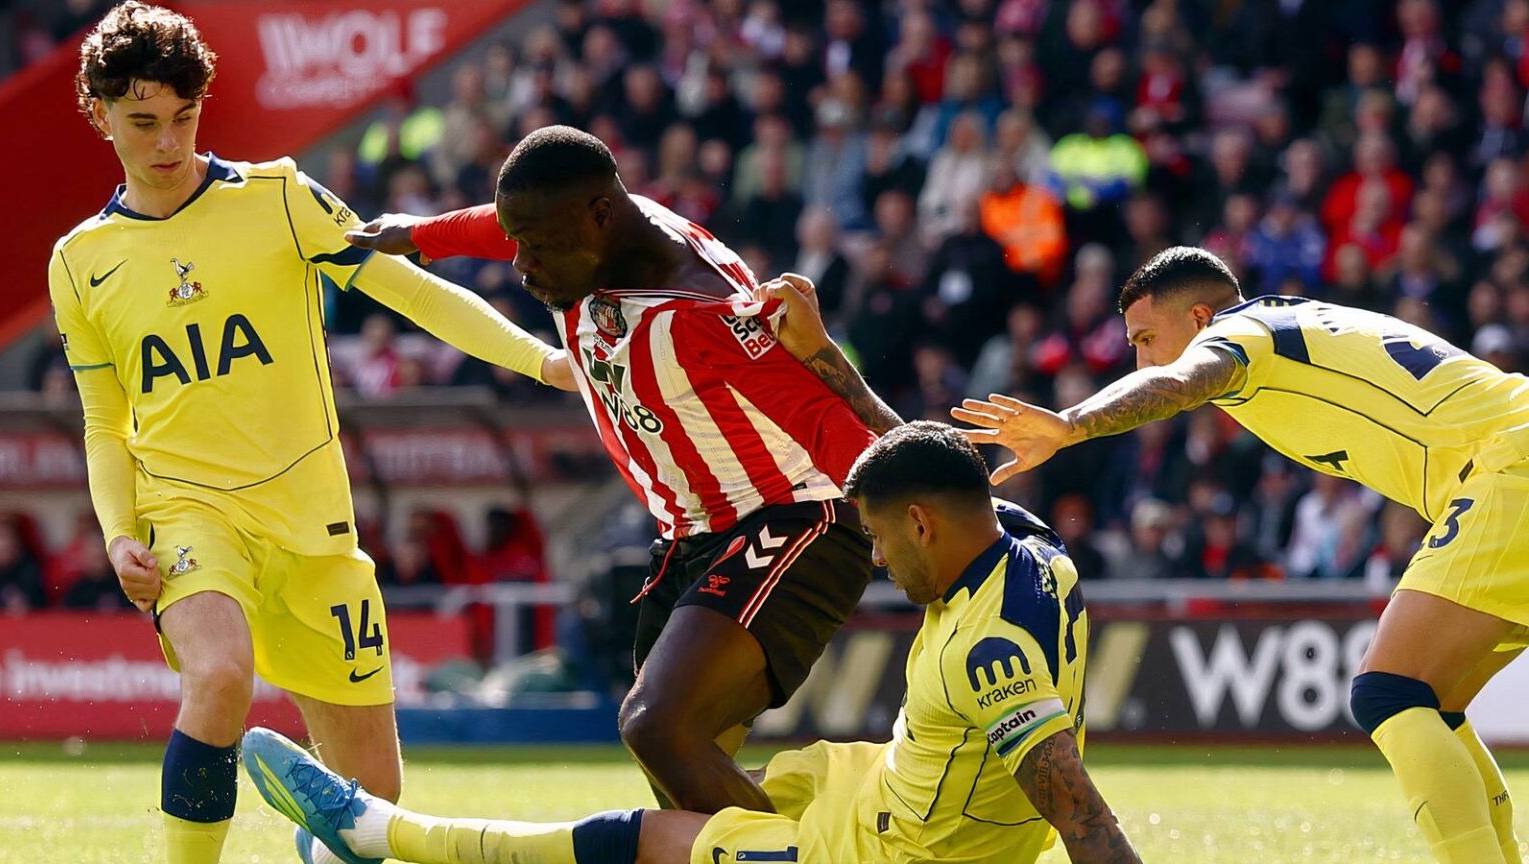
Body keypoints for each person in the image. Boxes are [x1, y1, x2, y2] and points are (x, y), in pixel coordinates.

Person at [51, 5, 572, 864]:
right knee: (218, 678)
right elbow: (104, 420)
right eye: (142, 121)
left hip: (314, 522)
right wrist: (117, 533)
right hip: (188, 511)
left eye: (183, 117)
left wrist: (542, 362)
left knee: (374, 804)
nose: (167, 141)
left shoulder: (281, 197)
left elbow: (409, 290)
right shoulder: (79, 261)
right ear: (99, 112)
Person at [240, 421, 1138, 864]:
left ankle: (382, 832)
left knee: (653, 841)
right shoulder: (1033, 547)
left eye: (880, 539)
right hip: (874, 785)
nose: (875, 560)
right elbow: (935, 460)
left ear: (922, 524)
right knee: (707, 780)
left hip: (899, 856)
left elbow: (1083, 817)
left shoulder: (988, 658)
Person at [346, 125, 899, 815]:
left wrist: (917, 517)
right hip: (688, 537)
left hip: (793, 521)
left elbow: (825, 425)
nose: (521, 265)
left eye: (537, 246)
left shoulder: (703, 311)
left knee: (656, 727)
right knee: (686, 793)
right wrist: (423, 233)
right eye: (519, 243)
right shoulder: (589, 228)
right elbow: (508, 223)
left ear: (601, 217)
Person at [955, 246, 1527, 864]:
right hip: (1502, 462)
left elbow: (1176, 381)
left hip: (1507, 467)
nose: (1140, 359)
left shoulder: (1240, 333)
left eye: (1146, 338)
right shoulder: (1286, 327)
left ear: (1200, 319)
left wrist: (1072, 424)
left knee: (1390, 692)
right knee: (1430, 702)